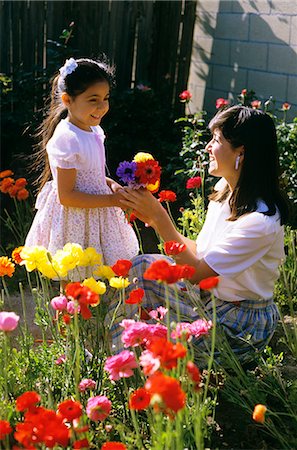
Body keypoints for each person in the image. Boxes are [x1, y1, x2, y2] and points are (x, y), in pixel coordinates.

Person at [106, 105, 290, 363]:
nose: (207, 147)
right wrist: (150, 214)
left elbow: (195, 274)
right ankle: (117, 362)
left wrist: (160, 218)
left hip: (238, 326)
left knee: (156, 339)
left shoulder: (260, 221)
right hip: (208, 301)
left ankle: (128, 366)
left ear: (242, 152)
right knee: (141, 267)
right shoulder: (226, 190)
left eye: (216, 140)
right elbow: (201, 254)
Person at [25, 57, 139, 279]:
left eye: (105, 98)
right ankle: (66, 314)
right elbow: (67, 196)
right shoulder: (67, 138)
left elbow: (91, 175)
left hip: (96, 214)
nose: (102, 106)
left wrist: (112, 185)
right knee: (73, 277)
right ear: (68, 100)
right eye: (93, 99)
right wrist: (111, 201)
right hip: (73, 218)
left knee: (97, 277)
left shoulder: (94, 131)